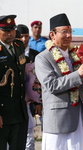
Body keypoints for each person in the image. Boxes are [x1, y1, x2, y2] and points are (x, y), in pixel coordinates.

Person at [35, 13, 83, 150]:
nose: (68, 35)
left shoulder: (76, 56)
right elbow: (51, 85)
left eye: (70, 31)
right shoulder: (42, 58)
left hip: (78, 116)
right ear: (52, 35)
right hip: (58, 120)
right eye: (64, 32)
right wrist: (78, 74)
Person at [0, 15, 28, 150]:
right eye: (5, 30)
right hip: (2, 113)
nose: (10, 33)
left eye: (12, 29)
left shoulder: (19, 46)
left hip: (19, 112)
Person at [17, 24, 41, 150]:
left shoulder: (36, 55)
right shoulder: (13, 55)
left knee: (29, 136)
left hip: (29, 102)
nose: (24, 39)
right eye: (21, 36)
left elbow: (38, 79)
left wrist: (37, 102)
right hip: (15, 101)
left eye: (26, 36)